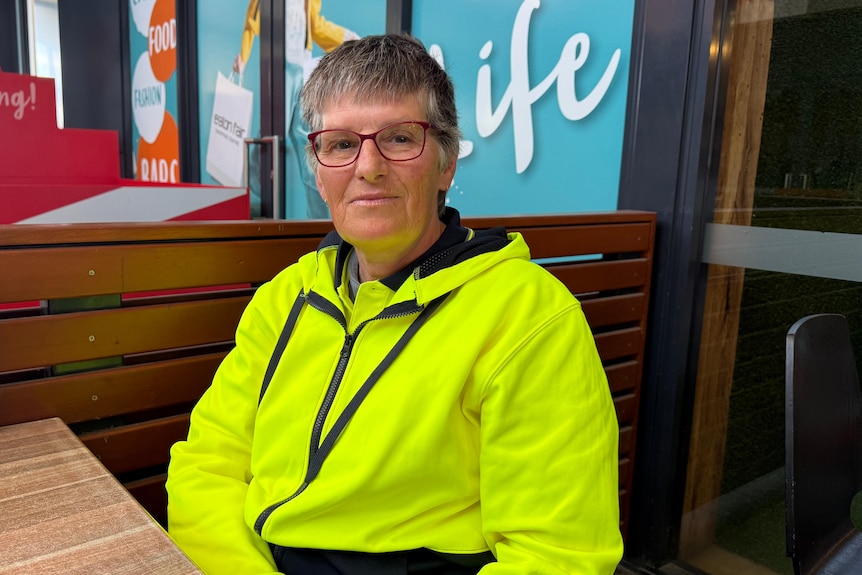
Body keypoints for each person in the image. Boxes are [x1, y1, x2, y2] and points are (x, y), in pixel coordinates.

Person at [167, 34, 623, 574]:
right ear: (318, 170)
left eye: (400, 139)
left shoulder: (527, 317)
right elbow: (207, 466)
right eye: (340, 144)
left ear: (447, 164)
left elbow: (557, 555)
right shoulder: (283, 299)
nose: (369, 167)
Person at [234, 0, 359, 218]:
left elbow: (316, 26)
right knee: (272, 130)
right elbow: (252, 21)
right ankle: (256, 191)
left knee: (305, 137)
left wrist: (346, 40)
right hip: (277, 66)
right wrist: (242, 58)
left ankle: (319, 214)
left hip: (300, 68)